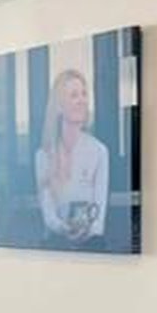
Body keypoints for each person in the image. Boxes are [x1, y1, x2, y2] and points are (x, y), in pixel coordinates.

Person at [34, 69, 109, 247]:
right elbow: (49, 215)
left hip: (91, 244)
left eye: (84, 94)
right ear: (59, 106)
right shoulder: (43, 155)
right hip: (55, 244)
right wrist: (65, 229)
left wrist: (86, 232)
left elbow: (99, 212)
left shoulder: (99, 151)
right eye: (74, 95)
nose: (82, 100)